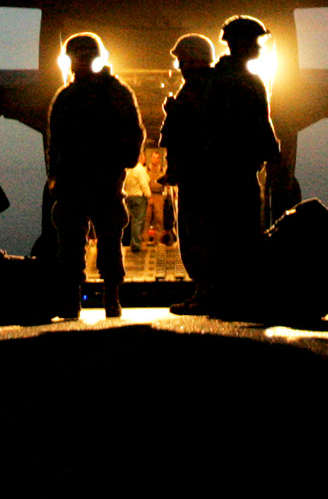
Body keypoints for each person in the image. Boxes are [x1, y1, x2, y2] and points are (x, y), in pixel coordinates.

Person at [160, 19, 281, 315]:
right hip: (227, 173)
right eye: (254, 42)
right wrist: (274, 157)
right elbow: (255, 126)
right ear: (238, 43)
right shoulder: (228, 80)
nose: (257, 48)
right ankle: (218, 295)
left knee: (215, 235)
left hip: (220, 173)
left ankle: (216, 294)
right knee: (227, 235)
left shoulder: (220, 80)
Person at [47, 33, 143, 319]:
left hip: (88, 181)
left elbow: (55, 144)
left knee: (81, 244)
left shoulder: (71, 95)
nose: (81, 62)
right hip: (94, 181)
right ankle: (106, 300)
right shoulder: (114, 91)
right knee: (95, 243)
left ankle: (81, 301)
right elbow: (133, 134)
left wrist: (56, 176)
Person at [122, 154, 153, 253]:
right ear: (141, 158)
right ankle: (136, 245)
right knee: (138, 221)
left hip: (129, 196)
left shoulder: (129, 169)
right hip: (139, 197)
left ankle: (125, 241)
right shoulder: (140, 170)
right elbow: (143, 184)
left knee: (129, 221)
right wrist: (149, 195)